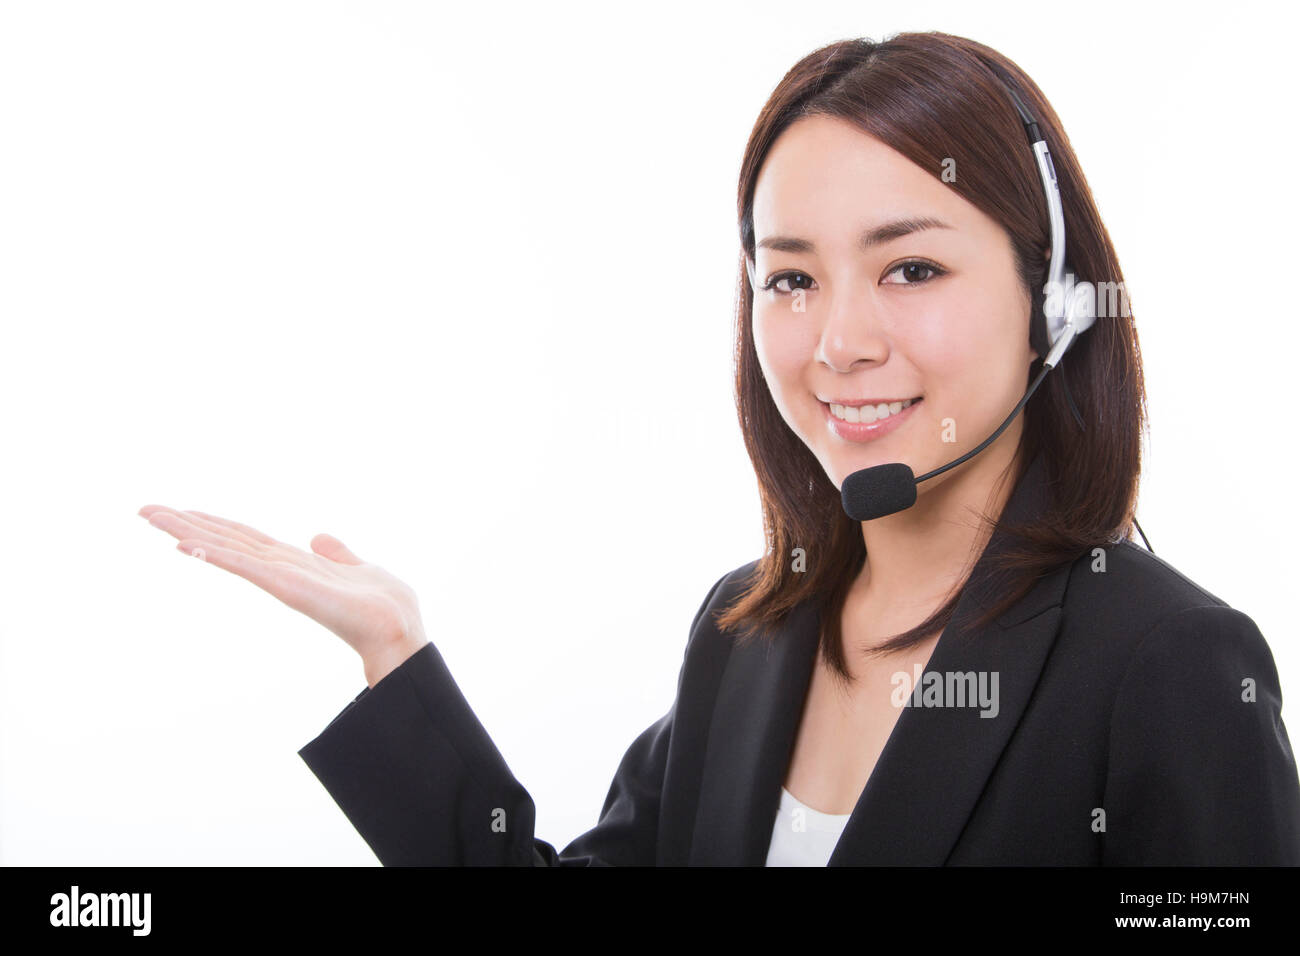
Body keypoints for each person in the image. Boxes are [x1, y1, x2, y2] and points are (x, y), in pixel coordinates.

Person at [139, 31, 1300, 865]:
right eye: (790, 277)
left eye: (910, 266)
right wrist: (397, 655)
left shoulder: (1168, 664)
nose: (838, 340)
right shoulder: (750, 632)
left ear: (1050, 299)